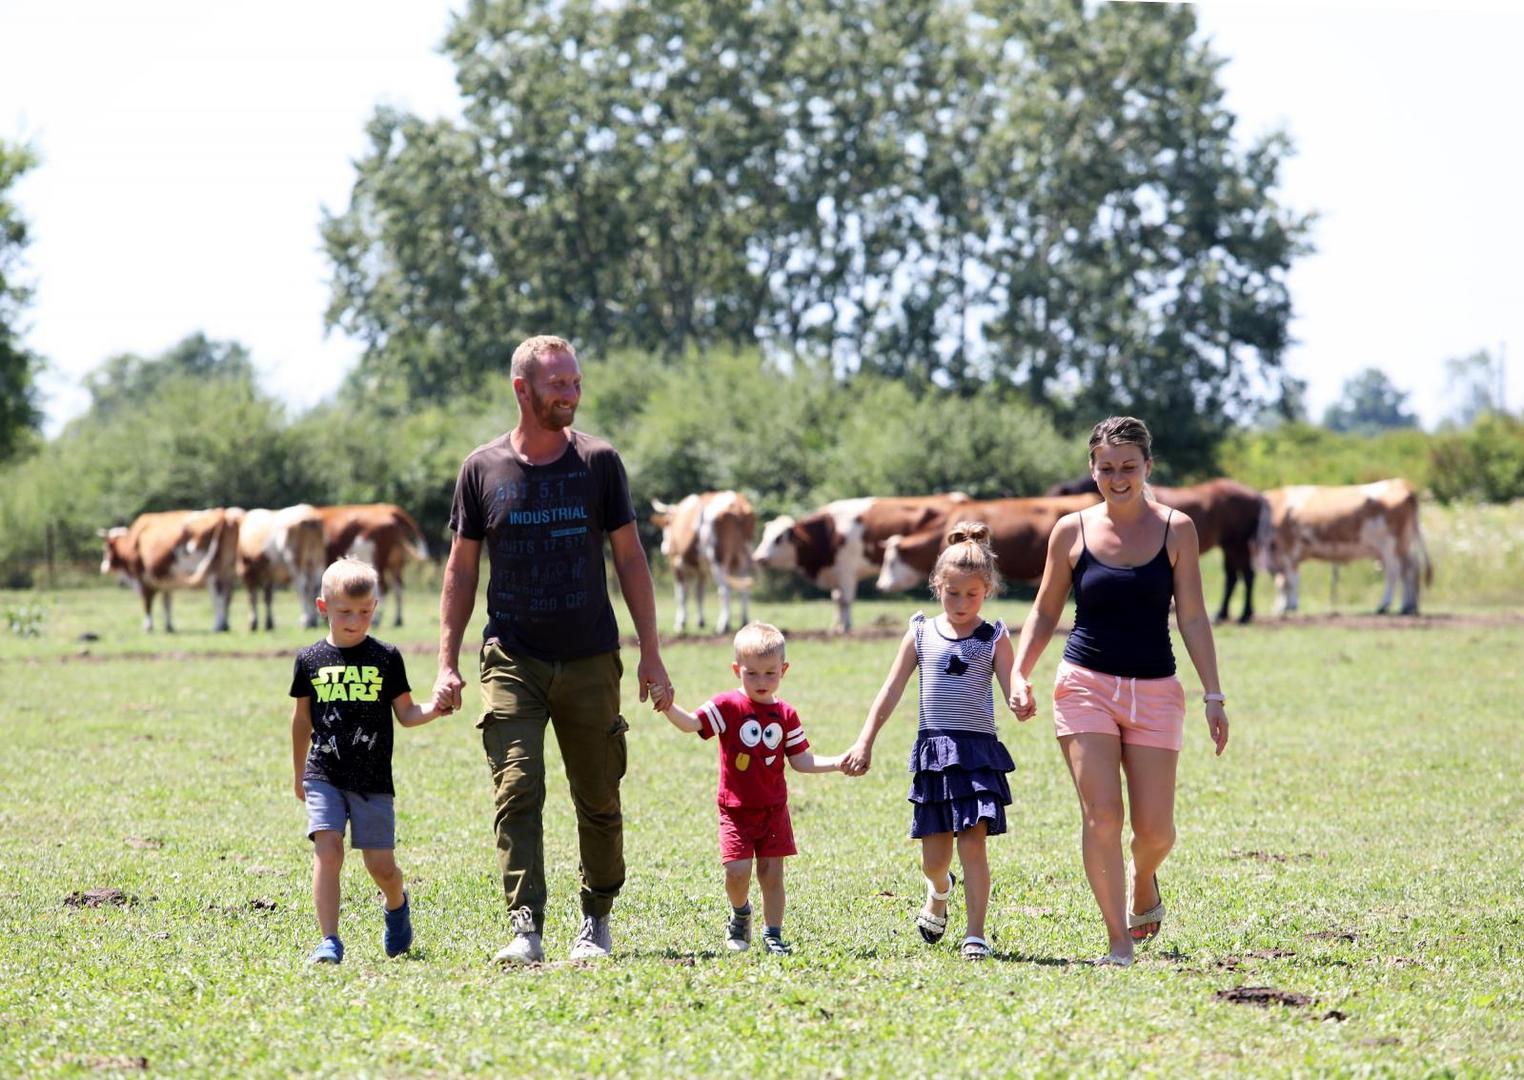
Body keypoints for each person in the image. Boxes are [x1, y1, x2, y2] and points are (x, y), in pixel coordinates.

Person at [432, 334, 673, 965]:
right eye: (558, 384)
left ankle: (596, 917)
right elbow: (460, 571)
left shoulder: (599, 463)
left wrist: (651, 651)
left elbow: (630, 559)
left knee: (598, 794)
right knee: (517, 787)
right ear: (523, 389)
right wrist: (445, 661)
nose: (570, 394)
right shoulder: (481, 470)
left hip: (592, 655)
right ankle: (525, 925)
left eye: (575, 383)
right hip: (512, 654)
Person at [1009, 416, 1230, 968]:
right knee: (1102, 815)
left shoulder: (1177, 529)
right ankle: (1117, 941)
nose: (1118, 477)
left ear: (1147, 467)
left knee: (1155, 831)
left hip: (1156, 689)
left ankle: (1144, 875)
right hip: (1085, 684)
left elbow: (1195, 618)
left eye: (1129, 466)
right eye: (1106, 468)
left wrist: (1214, 694)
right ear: (1092, 469)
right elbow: (1045, 609)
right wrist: (1020, 672)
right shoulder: (1071, 530)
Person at [842, 522, 1021, 961]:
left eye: (972, 595)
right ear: (937, 586)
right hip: (934, 753)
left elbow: (1011, 683)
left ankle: (975, 934)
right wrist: (865, 740)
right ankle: (939, 891)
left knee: (973, 844)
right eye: (952, 593)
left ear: (988, 591)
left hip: (977, 753)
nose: (962, 604)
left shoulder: (994, 636)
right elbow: (891, 690)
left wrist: (1020, 697)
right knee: (935, 859)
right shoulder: (921, 632)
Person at [290, 557, 448, 965]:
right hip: (323, 773)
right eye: (344, 612)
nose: (355, 621)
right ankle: (329, 941)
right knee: (328, 850)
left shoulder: (386, 657)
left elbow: (407, 714)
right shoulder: (309, 660)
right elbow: (301, 721)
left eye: (364, 612)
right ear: (323, 607)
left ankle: (396, 903)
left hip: (373, 779)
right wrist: (298, 776)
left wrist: (437, 708)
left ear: (375, 607)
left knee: (381, 867)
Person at [657, 622, 844, 955]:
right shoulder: (727, 707)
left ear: (784, 670)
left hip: (773, 810)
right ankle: (741, 912)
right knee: (737, 872)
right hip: (735, 809)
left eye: (770, 673)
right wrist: (668, 705)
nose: (761, 682)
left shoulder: (786, 714)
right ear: (736, 670)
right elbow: (692, 725)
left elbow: (801, 761)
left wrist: (839, 762)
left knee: (772, 874)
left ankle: (773, 934)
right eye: (752, 673)